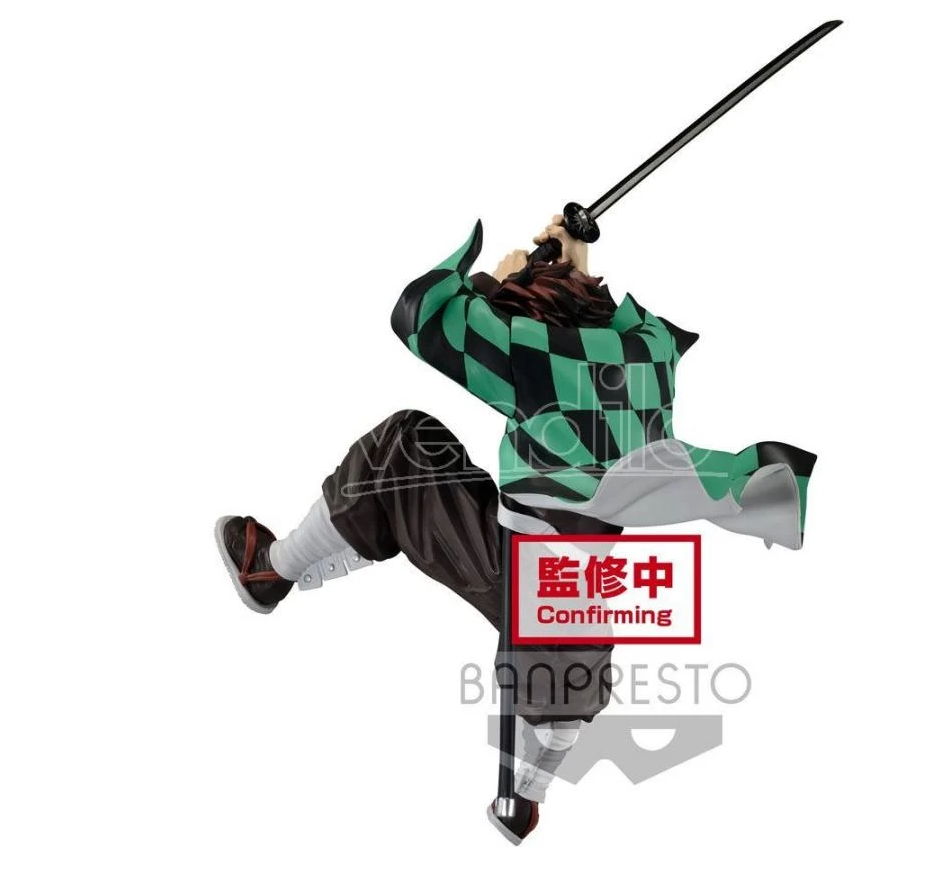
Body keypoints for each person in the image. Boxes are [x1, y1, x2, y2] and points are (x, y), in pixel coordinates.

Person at [215, 216, 816, 844]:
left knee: (401, 445)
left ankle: (271, 570)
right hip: (586, 584)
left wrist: (492, 277)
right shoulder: (650, 353)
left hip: (520, 572)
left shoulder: (529, 356)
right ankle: (523, 800)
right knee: (561, 657)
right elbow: (599, 328)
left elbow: (423, 318)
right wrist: (571, 268)